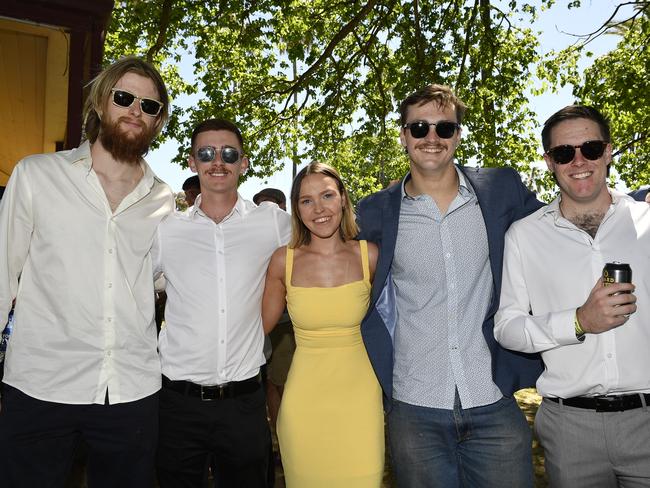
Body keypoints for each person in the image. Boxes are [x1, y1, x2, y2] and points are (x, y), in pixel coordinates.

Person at [356, 84, 544, 487]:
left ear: (458, 135)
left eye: (445, 128)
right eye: (420, 127)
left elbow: (558, 224)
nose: (432, 138)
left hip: (492, 397)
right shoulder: (374, 211)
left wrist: (633, 202)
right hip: (413, 404)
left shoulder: (500, 190)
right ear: (404, 134)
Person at [0, 56, 174, 487]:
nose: (136, 111)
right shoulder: (37, 175)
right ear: (100, 104)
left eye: (149, 106)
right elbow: (2, 273)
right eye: (124, 98)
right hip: (41, 384)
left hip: (132, 390)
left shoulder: (164, 199)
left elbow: (164, 280)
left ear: (157, 122)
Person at [494, 105, 650, 487]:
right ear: (549, 161)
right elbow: (507, 328)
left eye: (591, 148)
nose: (579, 161)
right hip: (569, 428)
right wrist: (578, 321)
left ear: (609, 151)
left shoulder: (647, 222)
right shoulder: (524, 236)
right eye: (565, 153)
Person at [153, 118, 291, 487]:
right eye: (207, 153)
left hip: (244, 402)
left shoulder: (274, 223)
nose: (218, 161)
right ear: (192, 162)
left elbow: (320, 251)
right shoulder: (167, 230)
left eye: (228, 153)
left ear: (243, 163)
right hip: (177, 403)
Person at [262, 161, 384, 487]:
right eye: (306, 200)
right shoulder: (282, 261)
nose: (319, 208)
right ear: (297, 209)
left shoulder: (369, 256)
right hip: (304, 405)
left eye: (327, 195)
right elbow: (253, 330)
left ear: (343, 198)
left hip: (361, 401)